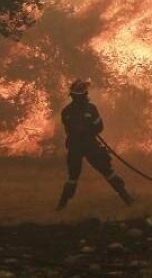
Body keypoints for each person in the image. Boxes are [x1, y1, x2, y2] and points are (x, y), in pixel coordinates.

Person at [56, 78, 134, 210]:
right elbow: (70, 129)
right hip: (76, 146)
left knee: (106, 170)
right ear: (74, 96)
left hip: (90, 145)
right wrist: (81, 130)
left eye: (82, 95)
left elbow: (99, 127)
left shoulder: (91, 109)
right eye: (78, 95)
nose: (81, 97)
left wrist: (89, 130)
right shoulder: (67, 112)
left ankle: (127, 198)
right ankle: (61, 206)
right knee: (73, 175)